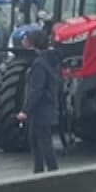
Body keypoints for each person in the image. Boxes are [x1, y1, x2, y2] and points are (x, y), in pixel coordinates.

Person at [19, 35, 62, 174]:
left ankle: (50, 174)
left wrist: (25, 110)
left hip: (40, 110)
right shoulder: (51, 60)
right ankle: (40, 172)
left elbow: (36, 89)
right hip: (48, 107)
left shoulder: (39, 64)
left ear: (34, 46)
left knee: (42, 143)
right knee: (38, 140)